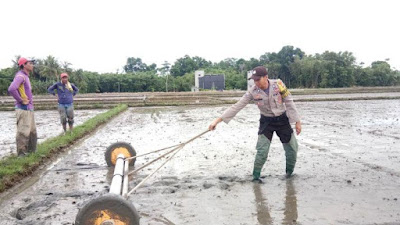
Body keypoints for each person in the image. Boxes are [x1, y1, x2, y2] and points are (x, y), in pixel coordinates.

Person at [209, 66, 302, 182]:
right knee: (262, 151)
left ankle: (289, 175)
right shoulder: (252, 91)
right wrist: (217, 121)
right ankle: (255, 177)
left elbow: (289, 102)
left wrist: (297, 122)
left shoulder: (278, 85)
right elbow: (237, 106)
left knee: (292, 149)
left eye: (258, 79)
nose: (256, 82)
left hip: (282, 120)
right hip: (266, 122)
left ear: (266, 77)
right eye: (254, 80)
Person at [8, 57, 38, 156]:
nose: (32, 65)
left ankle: (32, 153)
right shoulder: (21, 76)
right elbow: (12, 89)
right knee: (23, 131)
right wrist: (21, 100)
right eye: (30, 63)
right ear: (24, 65)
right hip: (23, 108)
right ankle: (22, 154)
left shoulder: (26, 77)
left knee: (32, 131)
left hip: (29, 108)